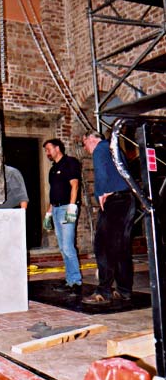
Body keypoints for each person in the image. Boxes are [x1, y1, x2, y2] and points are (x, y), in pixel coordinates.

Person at [81, 130, 136, 305]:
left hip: (115, 201)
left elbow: (101, 174)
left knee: (103, 246)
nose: (85, 148)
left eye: (84, 144)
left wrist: (101, 194)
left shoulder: (100, 149)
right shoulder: (114, 149)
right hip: (128, 200)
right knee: (121, 247)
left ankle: (103, 292)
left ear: (91, 139)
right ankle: (124, 290)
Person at [43, 138, 82, 293]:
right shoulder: (53, 169)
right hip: (57, 209)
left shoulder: (70, 162)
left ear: (57, 148)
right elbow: (54, 193)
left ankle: (76, 281)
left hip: (67, 208)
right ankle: (70, 280)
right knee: (62, 247)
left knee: (67, 246)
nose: (47, 153)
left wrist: (72, 207)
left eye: (48, 149)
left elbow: (75, 185)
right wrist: (48, 212)